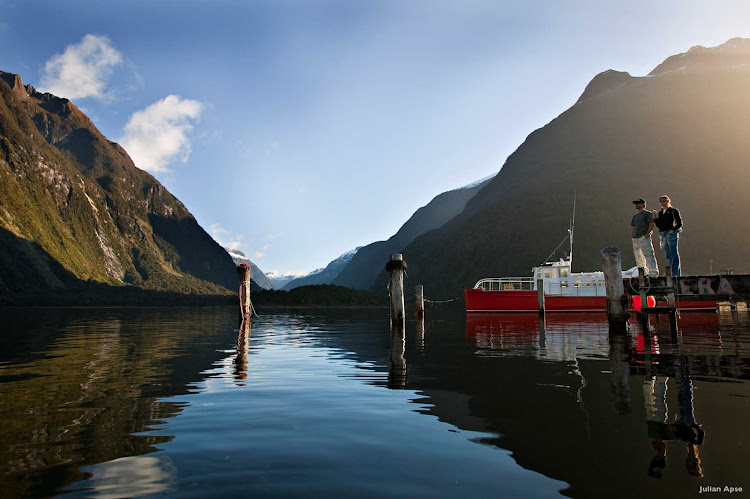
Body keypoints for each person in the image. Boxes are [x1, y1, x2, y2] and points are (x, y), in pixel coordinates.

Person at [653, 195, 682, 276]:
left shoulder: (673, 211)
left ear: (668, 201)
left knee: (673, 252)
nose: (662, 203)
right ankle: (671, 271)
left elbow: (679, 222)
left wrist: (673, 230)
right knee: (668, 254)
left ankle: (676, 272)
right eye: (661, 201)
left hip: (670, 233)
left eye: (664, 201)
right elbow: (659, 225)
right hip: (663, 233)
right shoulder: (661, 213)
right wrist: (655, 218)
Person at [631, 198, 659, 277]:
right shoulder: (635, 216)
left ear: (643, 204)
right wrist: (633, 236)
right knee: (638, 256)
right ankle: (642, 272)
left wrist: (647, 234)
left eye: (638, 203)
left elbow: (651, 223)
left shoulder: (647, 213)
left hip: (644, 236)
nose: (637, 205)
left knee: (648, 254)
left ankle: (653, 272)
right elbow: (633, 226)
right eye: (636, 204)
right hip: (636, 238)